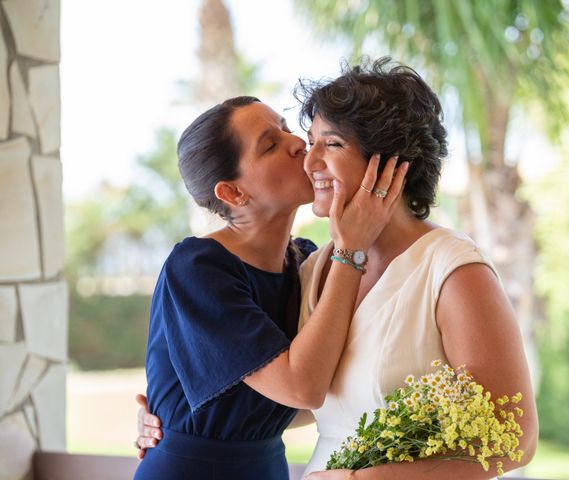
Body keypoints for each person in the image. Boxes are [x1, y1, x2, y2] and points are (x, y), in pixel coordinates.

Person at [137, 58, 538, 479]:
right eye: (301, 141)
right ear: (232, 192)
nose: (306, 157)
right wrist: (169, 423)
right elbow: (297, 388)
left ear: (386, 159)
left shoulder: (445, 268)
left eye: (329, 144)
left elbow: (514, 437)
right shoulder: (314, 269)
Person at [133, 95, 407, 480]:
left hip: (266, 467)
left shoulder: (308, 263)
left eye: (286, 128)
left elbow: (326, 391)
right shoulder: (199, 268)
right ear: (232, 193)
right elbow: (302, 388)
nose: (298, 143)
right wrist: (351, 250)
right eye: (270, 145)